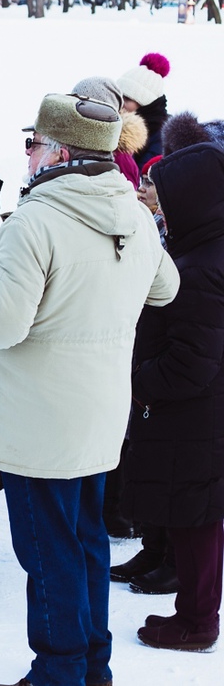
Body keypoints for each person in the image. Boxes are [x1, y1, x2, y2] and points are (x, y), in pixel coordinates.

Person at [0, 81, 179, 686]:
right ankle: (90, 667)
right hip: (100, 413)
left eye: (33, 143)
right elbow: (165, 288)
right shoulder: (132, 212)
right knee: (84, 543)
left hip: (36, 420)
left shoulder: (35, 222)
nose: (27, 154)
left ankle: (58, 672)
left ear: (58, 152)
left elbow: (1, 325)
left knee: (46, 550)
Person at [125, 141, 224, 653]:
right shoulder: (202, 248)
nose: (156, 201)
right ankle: (193, 611)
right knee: (192, 516)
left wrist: (134, 378)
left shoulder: (203, 264)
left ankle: (198, 621)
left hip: (194, 416)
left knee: (197, 520)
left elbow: (192, 361)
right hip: (194, 416)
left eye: (164, 193)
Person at [117, 52, 171, 167]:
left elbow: (142, 176)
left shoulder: (161, 136)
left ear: (145, 104)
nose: (119, 102)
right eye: (117, 96)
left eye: (126, 98)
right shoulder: (111, 121)